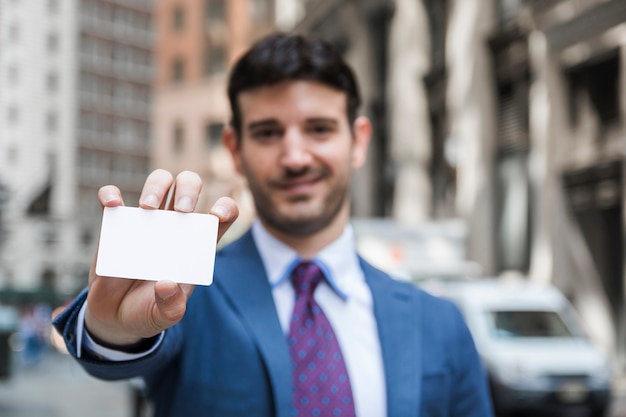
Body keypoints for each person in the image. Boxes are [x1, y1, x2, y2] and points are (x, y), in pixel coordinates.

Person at [53, 32, 494, 417]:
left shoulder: (439, 323)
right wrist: (112, 331)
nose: (296, 156)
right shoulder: (188, 292)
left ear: (358, 141)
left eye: (319, 129)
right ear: (235, 148)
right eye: (268, 132)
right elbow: (123, 348)